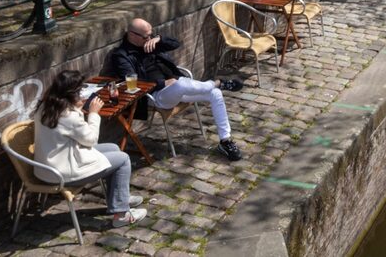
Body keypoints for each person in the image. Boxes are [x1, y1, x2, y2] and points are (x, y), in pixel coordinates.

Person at [108, 19, 245, 161]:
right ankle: (217, 82)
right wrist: (163, 83)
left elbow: (176, 43)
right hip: (155, 96)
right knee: (181, 84)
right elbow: (134, 82)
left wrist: (158, 39)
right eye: (145, 36)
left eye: (151, 34)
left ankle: (225, 141)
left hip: (176, 88)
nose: (149, 38)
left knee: (215, 94)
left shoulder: (150, 42)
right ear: (132, 34)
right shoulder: (121, 55)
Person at [32, 70, 147, 228]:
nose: (82, 94)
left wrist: (77, 108)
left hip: (49, 165)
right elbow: (91, 140)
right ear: (70, 94)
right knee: (123, 159)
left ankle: (120, 198)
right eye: (79, 91)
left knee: (113, 147)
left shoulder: (47, 106)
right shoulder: (68, 115)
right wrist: (93, 114)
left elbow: (69, 132)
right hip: (61, 172)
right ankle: (121, 215)